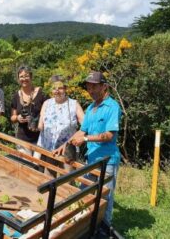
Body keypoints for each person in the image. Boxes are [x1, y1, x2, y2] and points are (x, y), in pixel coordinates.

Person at [54, 71, 121, 228]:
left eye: (94, 87)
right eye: (89, 88)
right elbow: (81, 131)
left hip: (108, 161)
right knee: (84, 193)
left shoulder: (113, 107)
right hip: (91, 159)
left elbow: (109, 135)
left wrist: (85, 139)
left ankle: (104, 228)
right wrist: (63, 146)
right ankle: (86, 225)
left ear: (104, 87)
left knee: (105, 196)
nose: (91, 91)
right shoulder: (91, 108)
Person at [37, 75, 84, 175]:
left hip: (68, 151)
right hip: (49, 150)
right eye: (54, 88)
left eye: (60, 88)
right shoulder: (46, 103)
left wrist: (79, 138)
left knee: (67, 182)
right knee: (48, 180)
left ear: (65, 88)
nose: (57, 91)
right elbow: (40, 125)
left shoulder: (74, 104)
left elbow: (85, 125)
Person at [10, 66, 47, 155]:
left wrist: (36, 119)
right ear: (18, 79)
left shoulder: (41, 93)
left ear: (31, 77)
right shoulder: (16, 96)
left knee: (37, 165)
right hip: (22, 138)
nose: (24, 79)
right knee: (26, 165)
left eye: (26, 76)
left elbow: (49, 112)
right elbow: (12, 117)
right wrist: (18, 118)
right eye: (21, 76)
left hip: (39, 138)